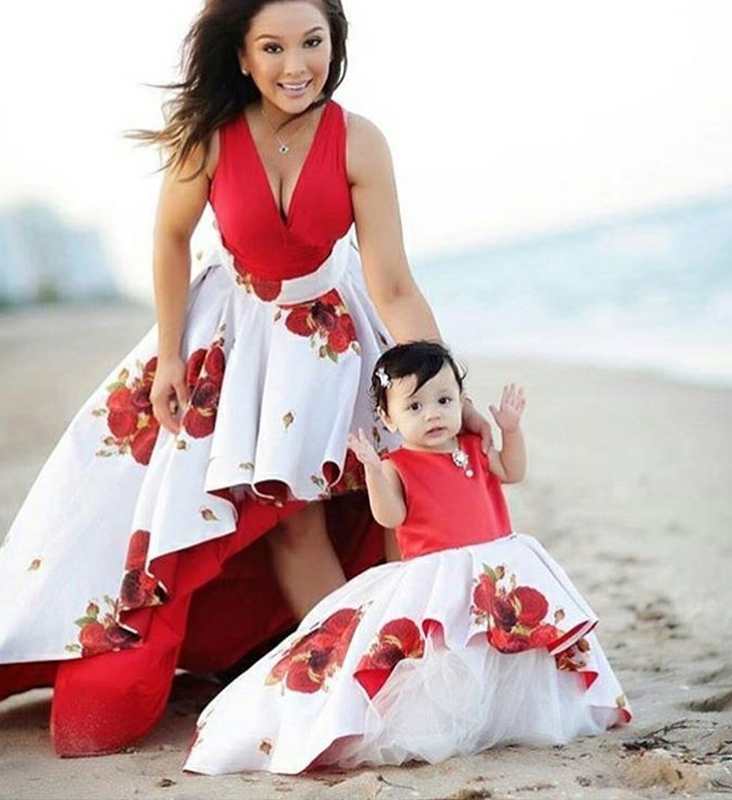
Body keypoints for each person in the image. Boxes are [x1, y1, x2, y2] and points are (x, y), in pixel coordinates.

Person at [0, 0, 492, 755]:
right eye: (274, 47)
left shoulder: (361, 142)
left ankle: (406, 663)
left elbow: (392, 282)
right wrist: (170, 356)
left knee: (394, 491)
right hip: (241, 340)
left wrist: (447, 388)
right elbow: (169, 238)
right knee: (290, 517)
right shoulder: (210, 139)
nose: (297, 65)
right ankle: (345, 680)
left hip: (335, 336)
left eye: (313, 43)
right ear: (242, 56)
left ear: (336, 43)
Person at [183, 341, 632, 775]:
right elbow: (391, 515)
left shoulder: (473, 447)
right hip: (435, 575)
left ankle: (508, 715)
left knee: (500, 644)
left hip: (495, 565)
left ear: (460, 399)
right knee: (446, 651)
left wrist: (511, 429)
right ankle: (451, 718)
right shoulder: (399, 463)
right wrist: (376, 474)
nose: (432, 414)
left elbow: (513, 472)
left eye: (443, 399)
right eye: (414, 407)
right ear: (387, 416)